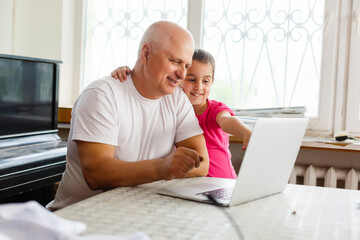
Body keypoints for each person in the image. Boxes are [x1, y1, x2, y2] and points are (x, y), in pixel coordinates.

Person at [47, 21, 209, 210]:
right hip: (75, 219)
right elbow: (96, 173)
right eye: (174, 61)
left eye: (186, 65)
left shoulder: (177, 100)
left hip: (133, 213)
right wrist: (162, 168)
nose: (182, 74)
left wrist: (171, 167)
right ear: (146, 54)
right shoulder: (102, 94)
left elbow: (202, 163)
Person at [111, 48, 252, 179]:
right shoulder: (173, 109)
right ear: (178, 79)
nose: (199, 87)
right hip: (191, 187)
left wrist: (245, 132)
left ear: (212, 82)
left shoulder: (214, 109)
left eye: (206, 81)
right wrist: (128, 74)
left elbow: (227, 121)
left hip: (223, 183)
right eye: (191, 79)